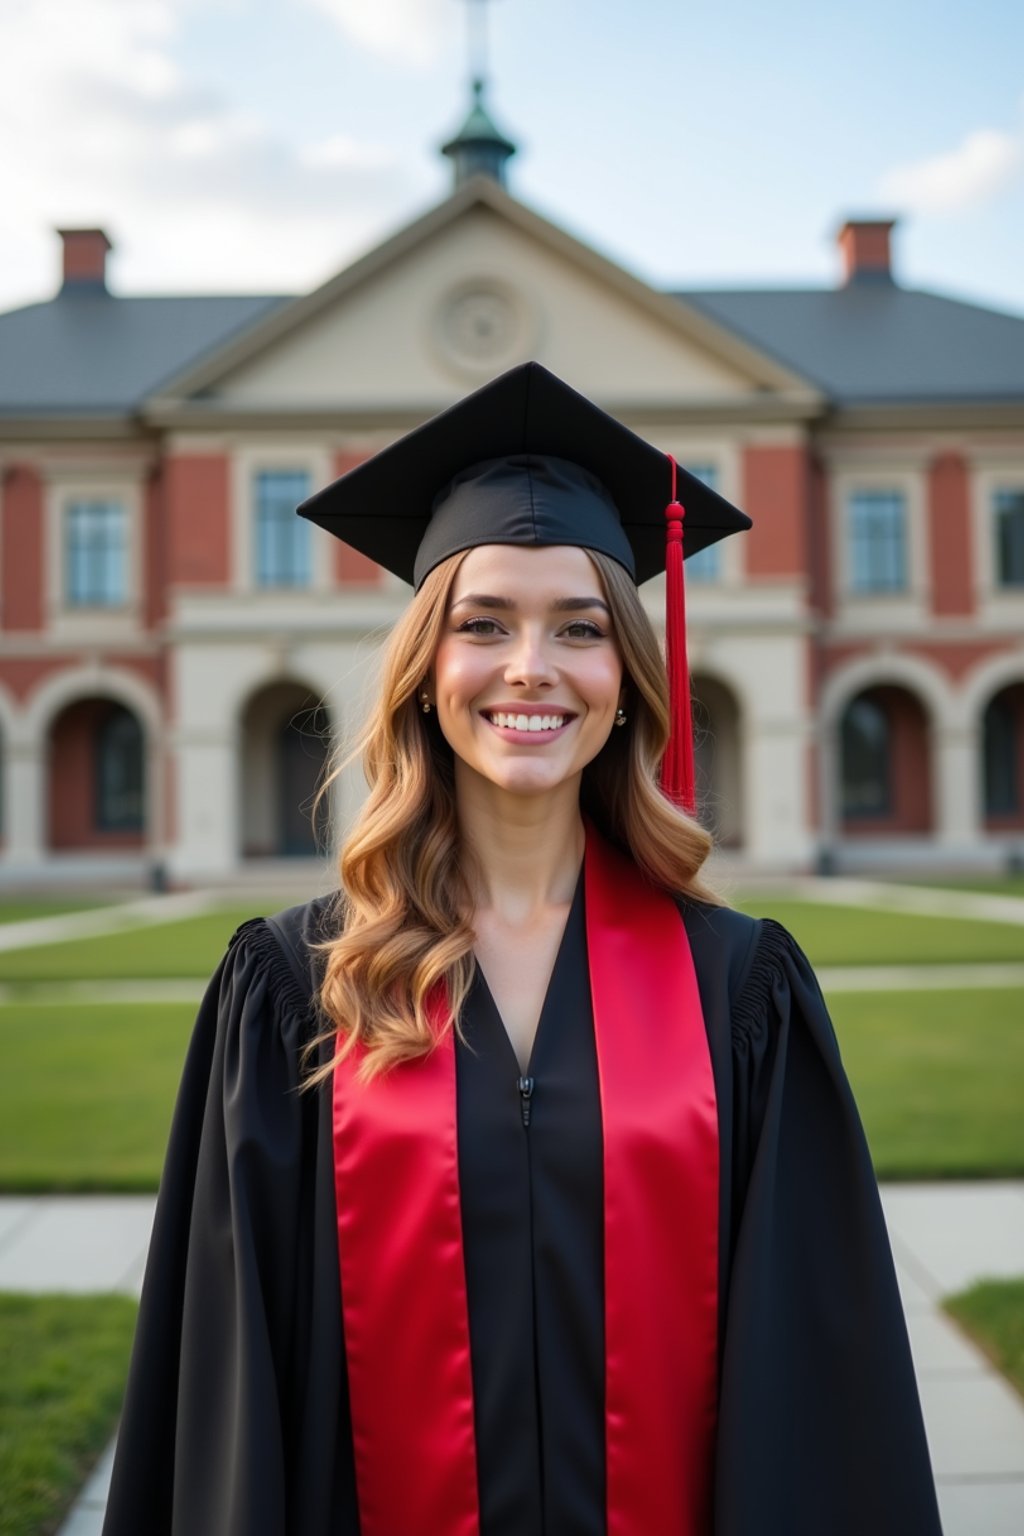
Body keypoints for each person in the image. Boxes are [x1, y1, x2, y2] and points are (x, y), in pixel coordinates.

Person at [103, 362, 943, 1536]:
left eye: (580, 629)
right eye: (482, 623)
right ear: (424, 674)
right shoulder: (298, 987)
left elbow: (814, 1386)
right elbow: (232, 1378)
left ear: (625, 679)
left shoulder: (740, 990)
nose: (529, 667)